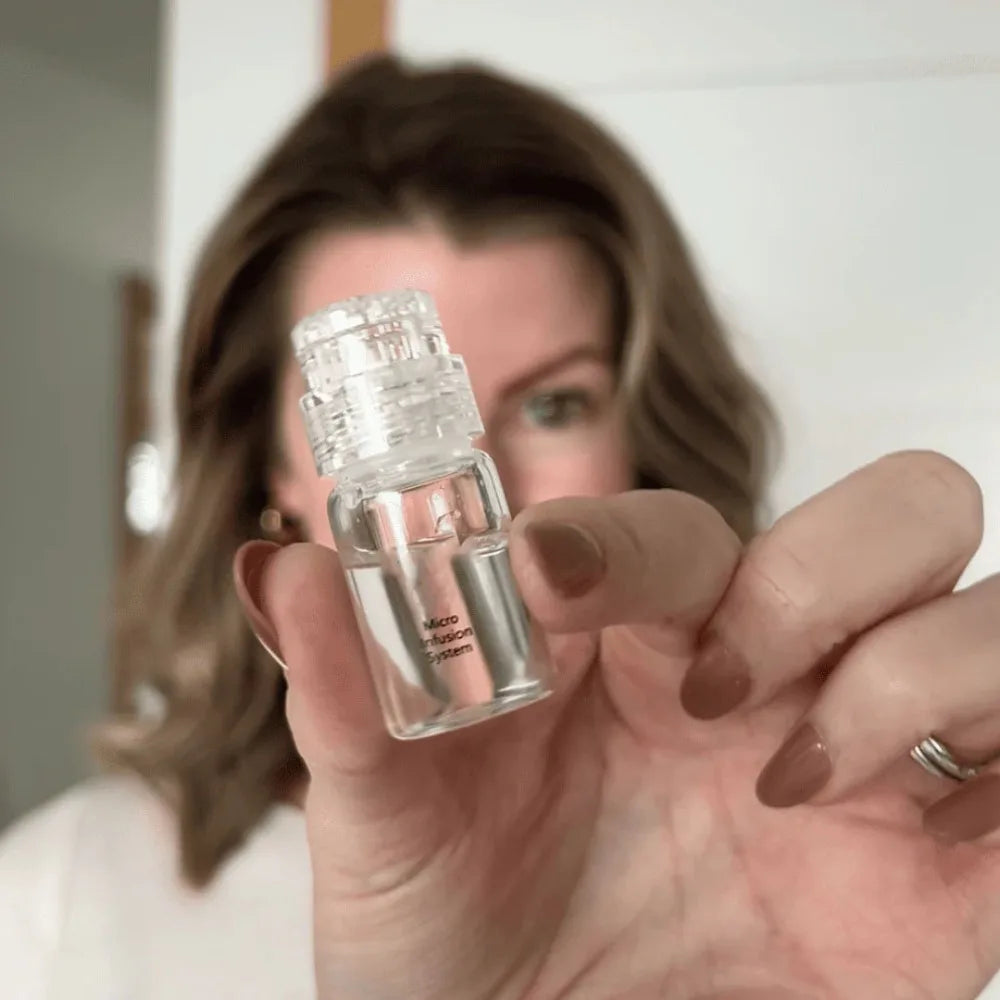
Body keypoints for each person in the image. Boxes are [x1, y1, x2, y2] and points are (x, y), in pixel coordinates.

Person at [2, 52, 999, 1000]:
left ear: (645, 434)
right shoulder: (55, 901)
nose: (479, 500)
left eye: (553, 405)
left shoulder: (798, 839)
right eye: (386, 418)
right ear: (278, 476)